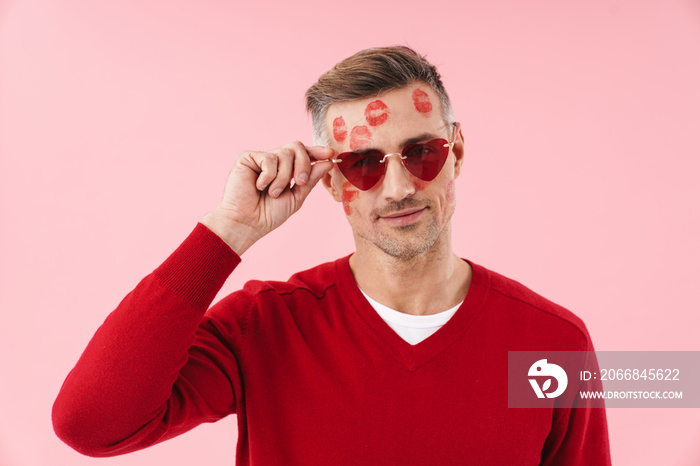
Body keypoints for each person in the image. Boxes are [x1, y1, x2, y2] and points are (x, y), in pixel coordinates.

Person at [52, 46, 612, 465]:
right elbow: (92, 424)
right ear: (332, 182)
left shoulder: (553, 343)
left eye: (421, 152)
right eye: (363, 163)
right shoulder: (263, 327)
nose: (397, 188)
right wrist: (227, 232)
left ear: (457, 151)